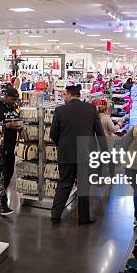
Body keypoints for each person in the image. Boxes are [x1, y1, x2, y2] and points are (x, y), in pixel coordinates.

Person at [50, 84, 106, 225]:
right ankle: (84, 217)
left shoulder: (59, 110)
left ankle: (56, 215)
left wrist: (61, 145)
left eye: (64, 95)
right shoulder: (91, 109)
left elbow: (53, 134)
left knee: (64, 184)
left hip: (66, 153)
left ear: (69, 95)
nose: (64, 97)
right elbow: (99, 133)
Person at [0, 87, 21, 215]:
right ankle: (1, 203)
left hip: (11, 147)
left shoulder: (14, 108)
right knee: (1, 174)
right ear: (5, 97)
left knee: (9, 173)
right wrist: (7, 125)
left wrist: (19, 127)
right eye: (12, 99)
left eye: (16, 99)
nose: (14, 102)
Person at [94, 99, 117, 177]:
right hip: (108, 142)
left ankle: (99, 178)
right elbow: (113, 129)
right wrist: (120, 124)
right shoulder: (107, 118)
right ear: (106, 110)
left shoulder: (95, 118)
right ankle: (111, 176)